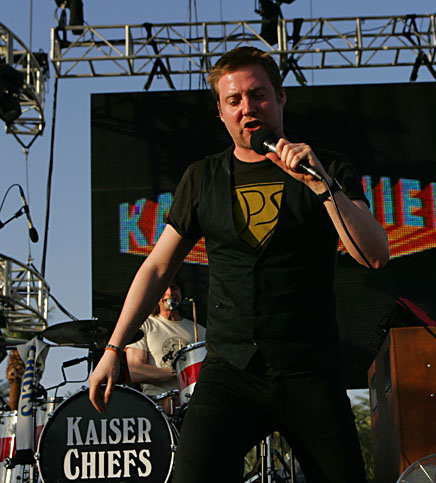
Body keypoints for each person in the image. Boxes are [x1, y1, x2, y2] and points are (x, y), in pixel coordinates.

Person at [88, 45, 389, 482]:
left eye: (258, 95)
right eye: (234, 100)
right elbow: (156, 268)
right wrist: (113, 350)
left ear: (280, 98)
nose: (248, 108)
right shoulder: (202, 178)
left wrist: (322, 185)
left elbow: (375, 254)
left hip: (309, 370)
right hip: (231, 371)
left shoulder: (327, 167)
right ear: (221, 112)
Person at [125, 278, 205, 413]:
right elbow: (135, 371)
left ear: (181, 293)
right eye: (164, 288)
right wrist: (180, 372)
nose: (169, 292)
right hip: (157, 406)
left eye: (174, 288)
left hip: (195, 403)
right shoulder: (144, 326)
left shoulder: (199, 330)